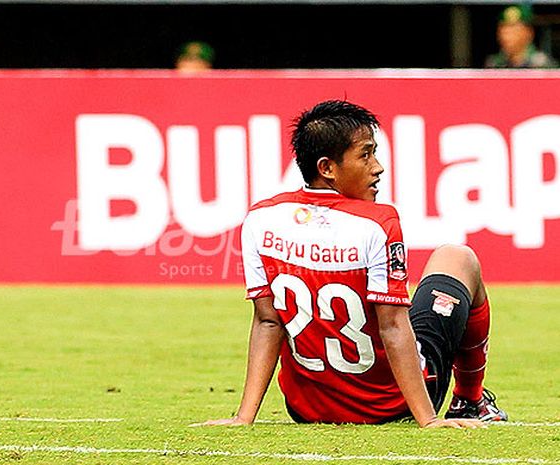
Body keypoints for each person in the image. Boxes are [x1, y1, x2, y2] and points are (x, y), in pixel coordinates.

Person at [201, 100, 508, 428]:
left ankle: (466, 401)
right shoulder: (378, 221)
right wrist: (429, 420)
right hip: (390, 404)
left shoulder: (261, 218)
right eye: (366, 154)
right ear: (327, 168)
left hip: (307, 408)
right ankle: (470, 400)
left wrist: (243, 417)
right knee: (458, 257)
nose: (378, 167)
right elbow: (392, 326)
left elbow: (268, 322)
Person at [485, 4, 558, 68]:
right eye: (503, 30)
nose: (506, 36)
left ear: (529, 33)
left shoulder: (541, 64)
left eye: (513, 30)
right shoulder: (494, 63)